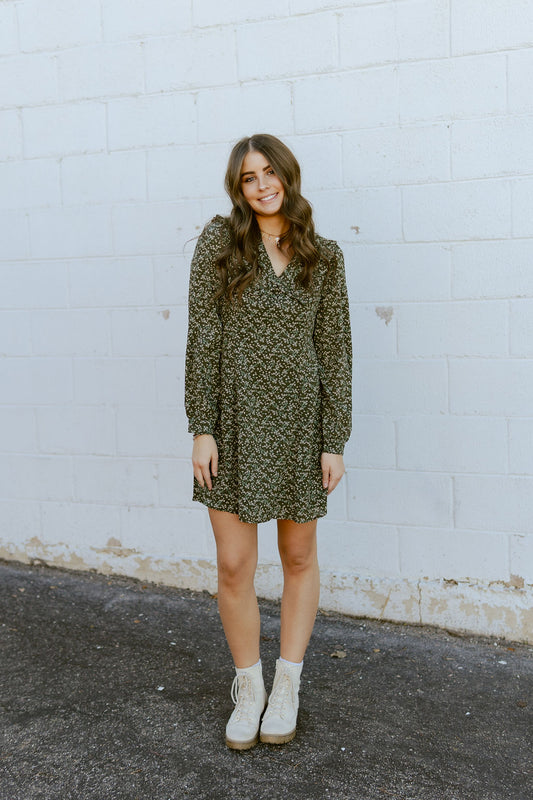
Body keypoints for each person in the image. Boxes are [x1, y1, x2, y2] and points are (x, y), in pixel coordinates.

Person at [184, 133, 352, 750]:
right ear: (238, 188)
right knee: (234, 562)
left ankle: (288, 683)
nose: (261, 186)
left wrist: (333, 439)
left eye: (268, 173)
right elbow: (202, 336)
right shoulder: (219, 243)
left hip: (300, 423)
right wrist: (201, 427)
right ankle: (248, 684)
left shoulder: (323, 256)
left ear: (287, 174)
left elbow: (334, 352)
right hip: (232, 421)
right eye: (248, 178)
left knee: (298, 554)